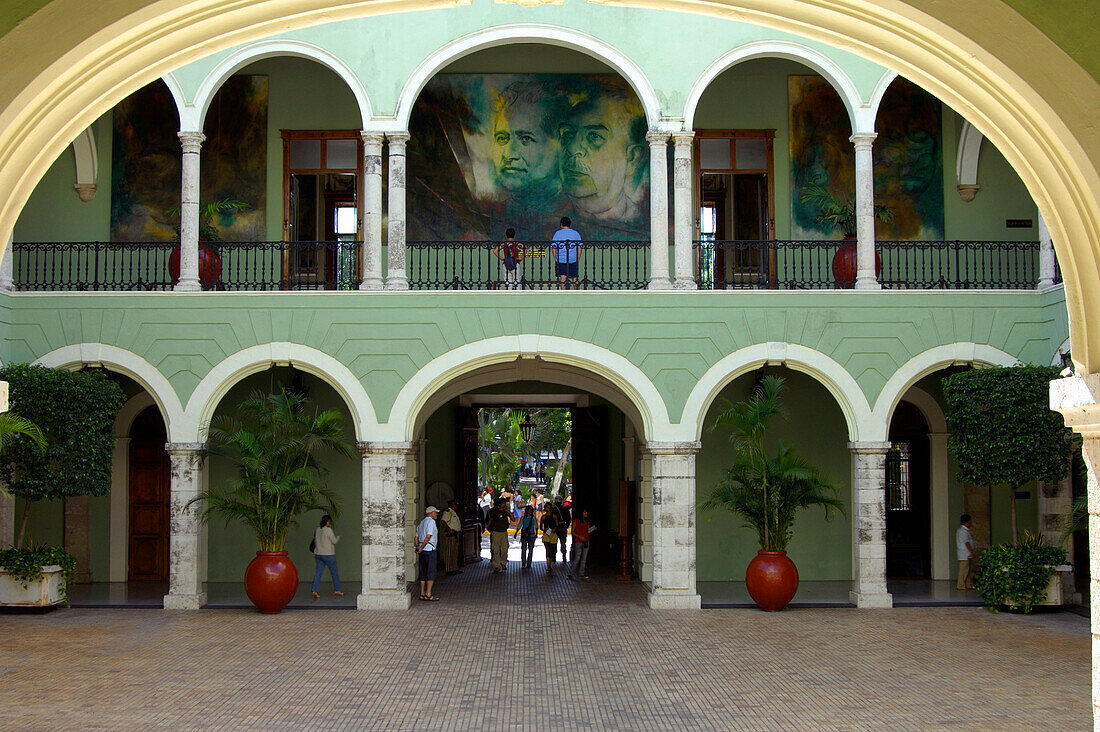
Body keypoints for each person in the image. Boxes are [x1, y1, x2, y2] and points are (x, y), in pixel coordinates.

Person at [557, 83, 649, 234]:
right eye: (567, 134)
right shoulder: (546, 218)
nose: (573, 149)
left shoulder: (641, 222)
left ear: (633, 158)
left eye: (594, 136)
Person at [310, 514, 342, 599]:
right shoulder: (328, 530)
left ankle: (314, 590)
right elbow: (334, 541)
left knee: (318, 573)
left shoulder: (317, 529)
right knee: (334, 572)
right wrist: (338, 537)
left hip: (318, 554)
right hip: (328, 555)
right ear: (327, 522)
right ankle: (337, 589)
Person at [415, 506, 441, 601]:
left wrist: (418, 547)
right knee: (431, 571)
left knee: (423, 571)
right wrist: (422, 547)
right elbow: (429, 536)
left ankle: (422, 593)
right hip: (429, 549)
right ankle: (428, 593)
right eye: (435, 512)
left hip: (422, 550)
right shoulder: (431, 522)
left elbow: (416, 537)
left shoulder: (421, 522)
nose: (436, 514)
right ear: (430, 513)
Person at [551, 216, 582, 289]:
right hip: (573, 259)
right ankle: (578, 294)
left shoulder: (557, 234)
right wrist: (577, 258)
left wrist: (556, 258)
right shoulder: (575, 233)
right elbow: (579, 247)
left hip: (561, 259)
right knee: (575, 278)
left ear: (561, 224)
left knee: (563, 279)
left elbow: (553, 247)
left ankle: (564, 295)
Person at [486, 497, 516, 573]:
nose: (504, 504)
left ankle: (503, 562)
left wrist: (508, 512)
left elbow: (513, 519)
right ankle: (497, 565)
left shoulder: (505, 512)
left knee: (504, 549)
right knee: (495, 549)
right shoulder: (494, 511)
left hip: (504, 532)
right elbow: (491, 519)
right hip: (496, 532)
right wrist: (488, 528)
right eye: (503, 503)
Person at [568, 507, 597, 579]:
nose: (586, 513)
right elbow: (572, 531)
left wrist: (592, 529)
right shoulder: (576, 521)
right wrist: (579, 536)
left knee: (584, 558)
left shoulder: (587, 521)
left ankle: (581, 573)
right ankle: (571, 573)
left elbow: (588, 531)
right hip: (579, 540)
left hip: (586, 540)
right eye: (584, 512)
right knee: (577, 557)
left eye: (586, 512)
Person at [440, 500, 463, 576]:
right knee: (450, 551)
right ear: (452, 505)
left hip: (456, 534)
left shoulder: (454, 512)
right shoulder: (448, 512)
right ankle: (449, 569)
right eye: (455, 504)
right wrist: (449, 529)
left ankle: (454, 568)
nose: (456, 506)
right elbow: (443, 521)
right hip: (451, 534)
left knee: (455, 551)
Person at [956, 513, 976, 591]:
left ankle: (968, 584)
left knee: (968, 570)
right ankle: (960, 585)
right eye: (970, 521)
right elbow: (966, 543)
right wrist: (971, 552)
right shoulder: (962, 531)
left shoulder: (964, 531)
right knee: (963, 570)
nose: (971, 523)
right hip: (964, 553)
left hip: (966, 554)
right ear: (966, 522)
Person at [550, 499, 572, 564]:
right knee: (563, 543)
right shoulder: (565, 510)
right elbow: (568, 520)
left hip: (555, 529)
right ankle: (564, 556)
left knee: (553, 543)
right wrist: (565, 527)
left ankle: (553, 558)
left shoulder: (553, 510)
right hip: (563, 528)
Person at [540, 508, 560, 573]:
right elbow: (541, 527)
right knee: (548, 549)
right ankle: (548, 565)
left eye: (550, 507)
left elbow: (557, 525)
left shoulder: (554, 516)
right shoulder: (543, 517)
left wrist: (554, 529)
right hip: (546, 534)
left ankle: (550, 563)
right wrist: (544, 530)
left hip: (553, 534)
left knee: (553, 550)